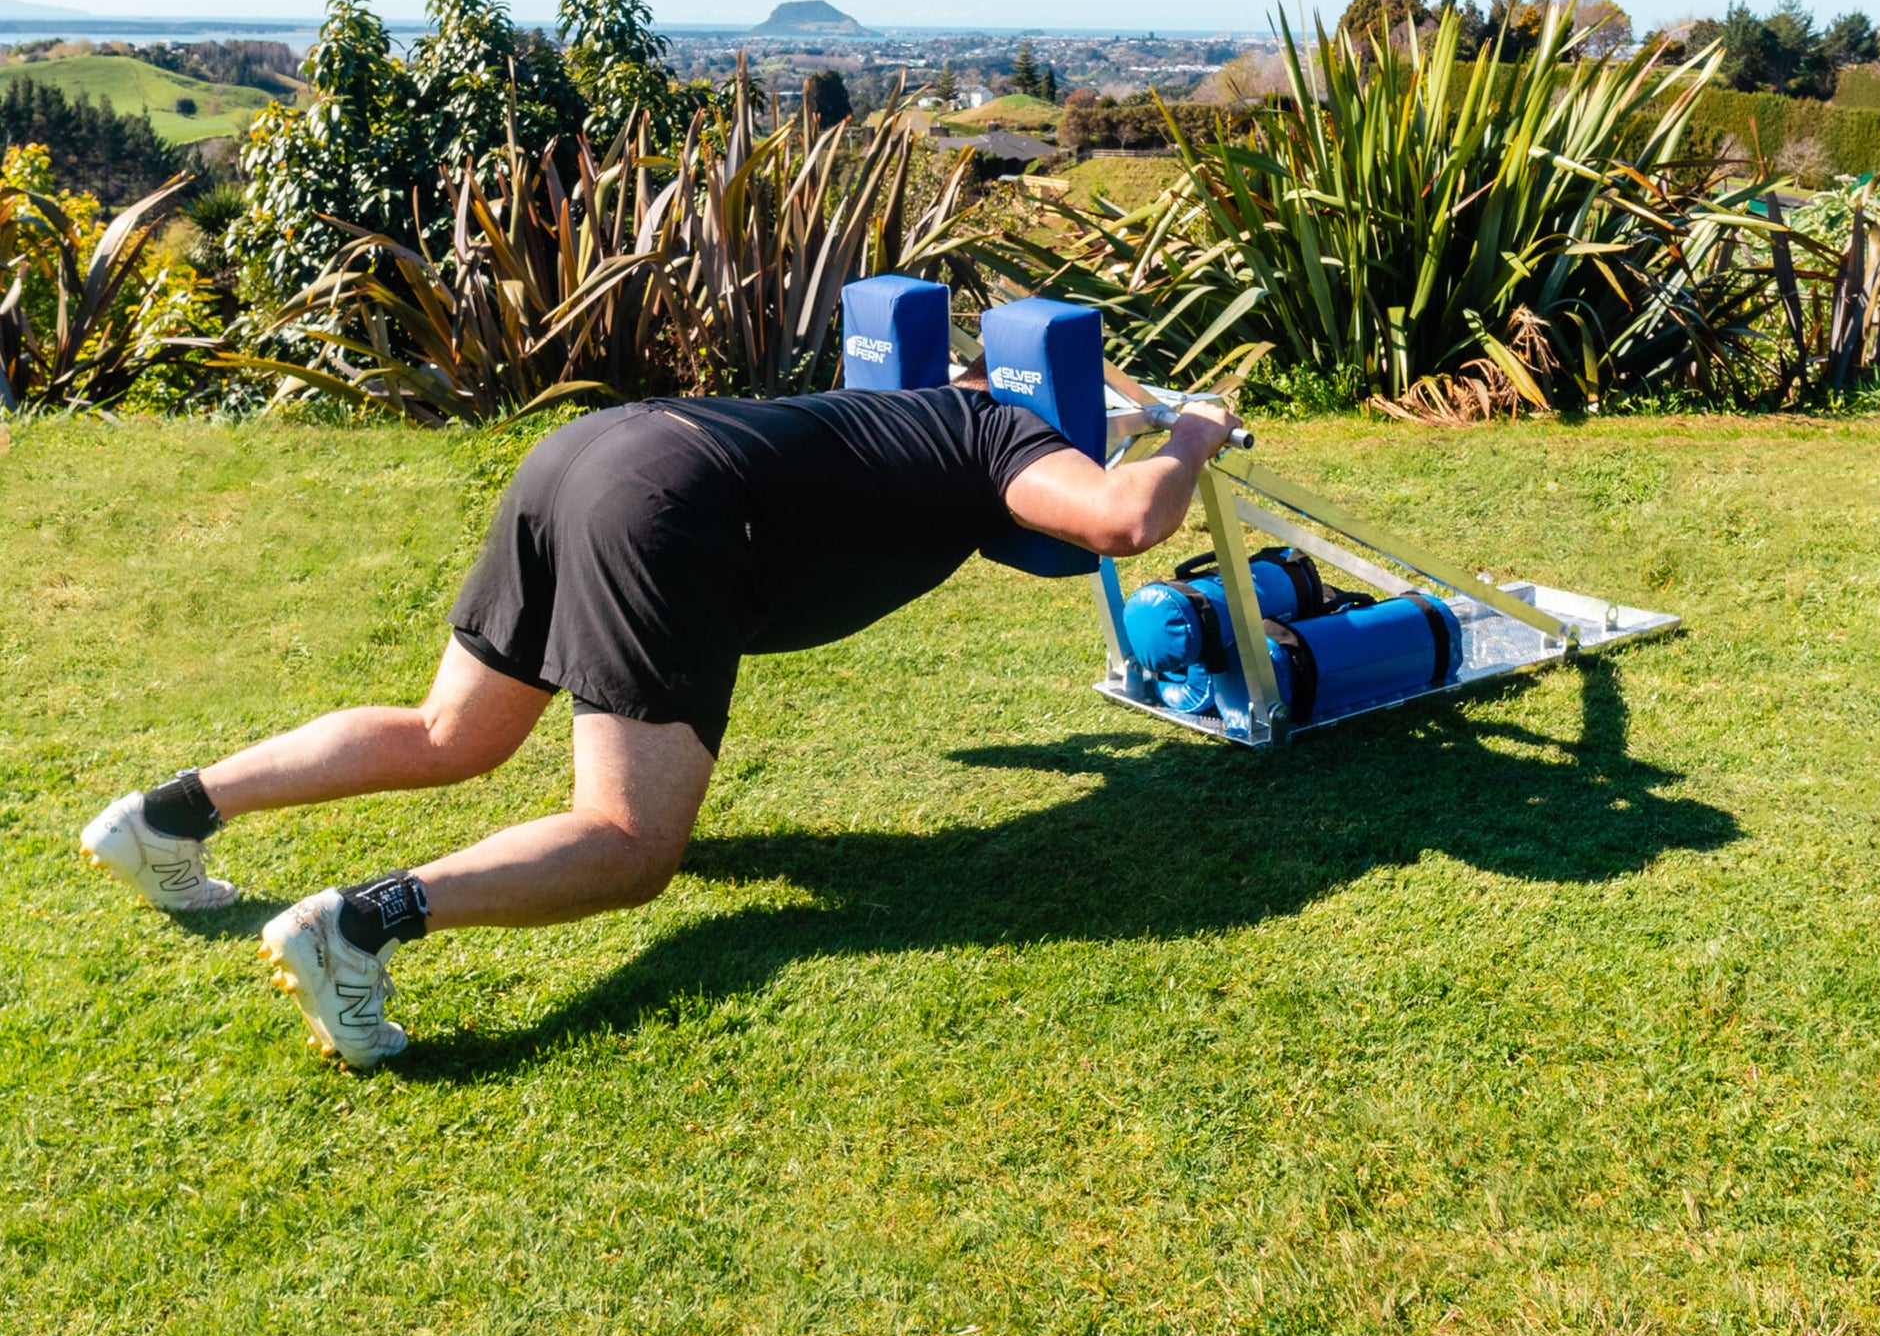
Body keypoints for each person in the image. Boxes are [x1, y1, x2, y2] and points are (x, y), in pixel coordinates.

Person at [80, 382, 1240, 1067]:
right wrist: (1186, 435)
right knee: (630, 841)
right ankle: (359, 926)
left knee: (454, 732)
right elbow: (1120, 520)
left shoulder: (915, 402)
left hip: (585, 451)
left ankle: (167, 818)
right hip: (668, 505)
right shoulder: (1002, 435)